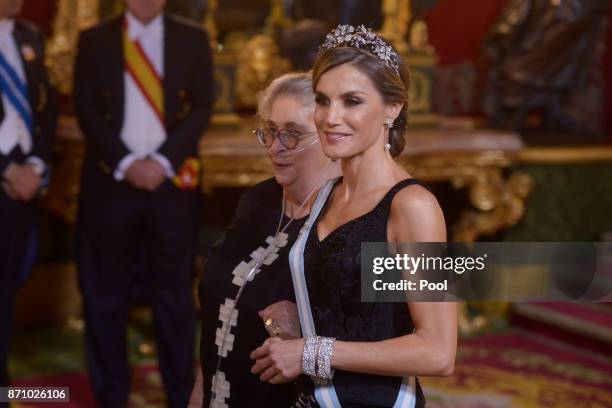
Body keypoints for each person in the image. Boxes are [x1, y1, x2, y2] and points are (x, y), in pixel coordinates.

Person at [251, 25, 457, 407]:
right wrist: (296, 315)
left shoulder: (413, 207)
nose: (331, 117)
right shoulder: (327, 192)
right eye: (323, 100)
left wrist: (310, 353)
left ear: (392, 108)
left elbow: (439, 352)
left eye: (352, 101)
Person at [73, 0, 214, 406]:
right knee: (105, 296)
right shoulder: (94, 40)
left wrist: (163, 161)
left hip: (171, 184)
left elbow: (202, 107)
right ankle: (111, 395)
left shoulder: (193, 38)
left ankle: (179, 394)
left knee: (174, 297)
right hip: (111, 181)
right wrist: (127, 162)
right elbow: (84, 107)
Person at [190, 72, 340, 407]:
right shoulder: (258, 199)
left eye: (292, 134)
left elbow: (425, 340)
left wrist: (310, 321)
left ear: (332, 136)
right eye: (270, 131)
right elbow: (222, 306)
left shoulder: (360, 214)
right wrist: (200, 393)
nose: (275, 147)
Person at [0, 0, 57, 399]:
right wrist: (5, 169)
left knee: (6, 289)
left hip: (23, 184)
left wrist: (35, 164)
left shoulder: (29, 35)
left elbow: (45, 107)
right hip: (5, 176)